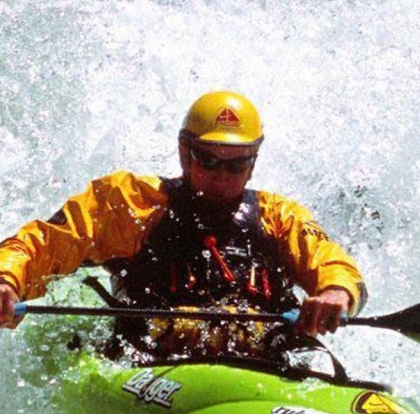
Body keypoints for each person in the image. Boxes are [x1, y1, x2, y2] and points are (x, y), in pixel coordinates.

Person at [0, 90, 366, 364]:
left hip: (265, 364)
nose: (221, 176)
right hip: (152, 361)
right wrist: (7, 280)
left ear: (253, 163)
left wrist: (336, 294)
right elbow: (44, 244)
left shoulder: (280, 216)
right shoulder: (130, 203)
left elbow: (334, 265)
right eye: (207, 160)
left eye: (236, 165)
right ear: (183, 151)